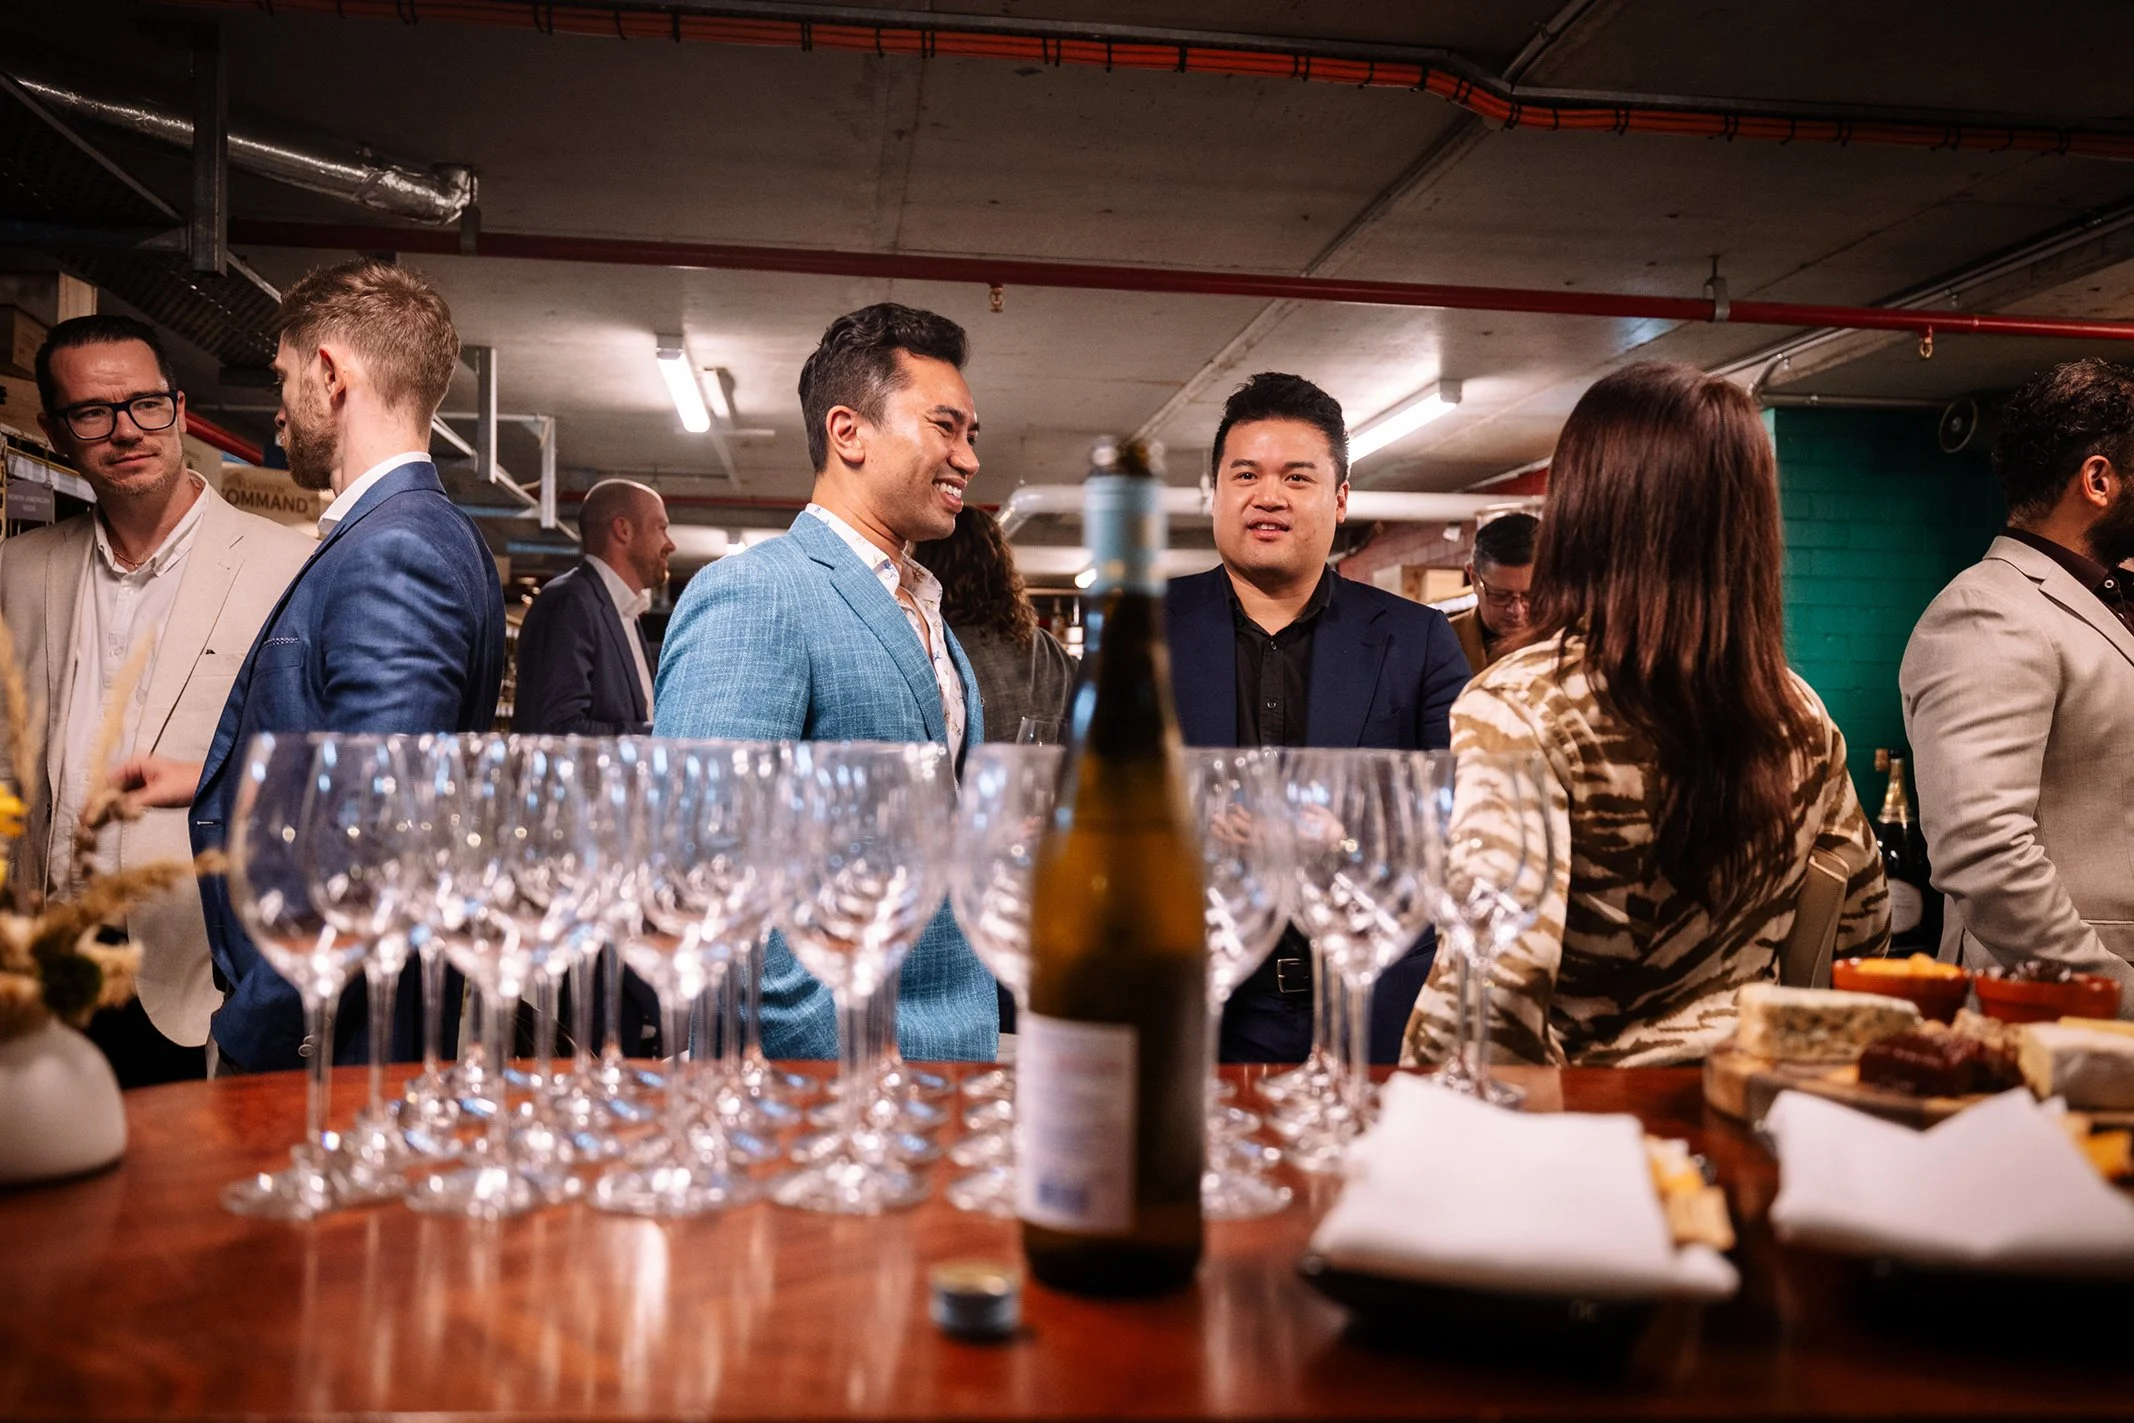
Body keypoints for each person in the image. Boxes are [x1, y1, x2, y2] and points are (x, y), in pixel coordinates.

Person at [1402, 362, 1889, 1069]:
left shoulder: (1520, 705)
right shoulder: (1796, 709)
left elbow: (1490, 995)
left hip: (1584, 1137)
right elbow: (1861, 932)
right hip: (1743, 1110)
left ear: (1583, 510)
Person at [174, 259, 507, 1073]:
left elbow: (377, 844)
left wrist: (251, 1027)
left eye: (285, 378)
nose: (279, 410)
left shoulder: (393, 550)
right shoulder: (424, 532)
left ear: (330, 373)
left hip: (327, 1044)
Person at [654, 302, 994, 1060]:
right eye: (945, 427)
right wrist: (819, 1049)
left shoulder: (927, 608)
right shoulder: (758, 593)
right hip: (827, 1070)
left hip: (953, 1052)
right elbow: (703, 875)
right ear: (849, 433)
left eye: (971, 435)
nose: (968, 458)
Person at [0, 316, 313, 1086]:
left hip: (189, 974)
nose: (126, 431)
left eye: (146, 404)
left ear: (177, 406)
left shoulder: (285, 565)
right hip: (49, 963)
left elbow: (315, 760)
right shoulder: (18, 569)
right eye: (92, 413)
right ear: (54, 429)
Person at [1166, 372, 1469, 1064]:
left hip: (1374, 1005)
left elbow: (1468, 818)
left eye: (1296, 477)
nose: (1268, 495)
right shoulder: (1140, 631)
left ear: (1338, 499)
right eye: (1246, 474)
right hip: (1192, 1005)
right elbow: (1083, 801)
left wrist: (1352, 840)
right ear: (1216, 492)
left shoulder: (1417, 640)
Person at [1901, 359, 2134, 1013]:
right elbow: (1986, 850)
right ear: (2098, 479)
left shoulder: (2113, 597)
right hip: (2047, 1015)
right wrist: (2113, 991)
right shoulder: (1989, 611)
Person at [514, 479, 674, 735]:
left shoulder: (624, 612)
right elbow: (557, 732)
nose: (670, 544)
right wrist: (664, 736)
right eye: (661, 528)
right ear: (623, 530)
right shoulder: (568, 603)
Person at [913, 505, 1073, 743]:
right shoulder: (1048, 648)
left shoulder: (937, 648)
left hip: (975, 780)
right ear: (1000, 569)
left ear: (927, 566)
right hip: (1051, 778)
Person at [1446, 510, 1537, 674]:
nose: (1517, 610)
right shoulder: (1440, 644)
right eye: (1500, 596)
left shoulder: (1574, 645)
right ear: (1473, 578)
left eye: (1530, 595)